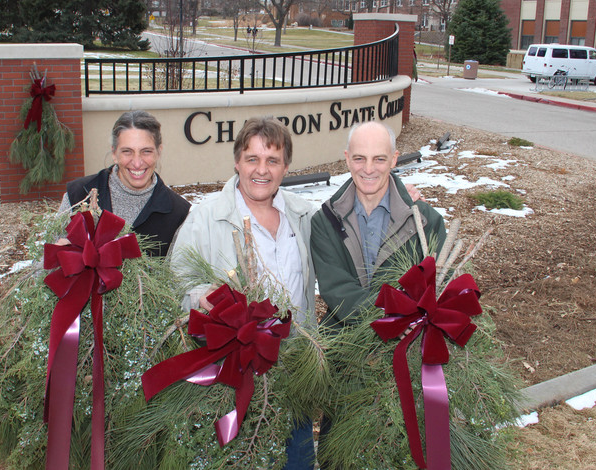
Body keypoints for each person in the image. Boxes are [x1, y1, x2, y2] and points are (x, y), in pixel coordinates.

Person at [170, 117, 315, 469]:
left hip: (295, 370)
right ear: (237, 162)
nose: (261, 170)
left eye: (272, 160)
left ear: (285, 167)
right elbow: (177, 284)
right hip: (234, 376)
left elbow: (349, 219)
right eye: (252, 159)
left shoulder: (304, 215)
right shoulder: (206, 218)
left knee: (297, 460)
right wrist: (204, 299)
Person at [310, 121, 446, 328]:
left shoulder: (425, 221)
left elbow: (442, 284)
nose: (369, 169)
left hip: (411, 344)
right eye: (359, 158)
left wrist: (403, 324)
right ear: (347, 159)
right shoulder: (325, 222)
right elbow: (337, 288)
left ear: (394, 159)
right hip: (344, 348)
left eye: (379, 159)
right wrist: (389, 322)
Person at [59, 110, 190, 257]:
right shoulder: (79, 195)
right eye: (127, 151)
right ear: (114, 153)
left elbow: (178, 275)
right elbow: (42, 268)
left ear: (158, 152)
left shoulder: (178, 213)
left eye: (146, 151)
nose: (137, 162)